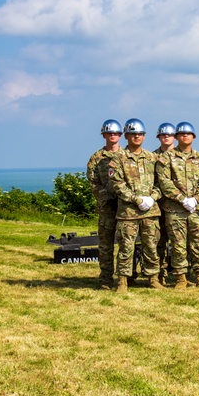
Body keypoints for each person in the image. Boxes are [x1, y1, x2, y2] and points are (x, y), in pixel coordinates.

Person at [108, 118, 162, 293]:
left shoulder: (152, 158)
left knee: (151, 246)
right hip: (128, 212)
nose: (136, 137)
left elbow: (161, 183)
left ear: (144, 136)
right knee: (126, 248)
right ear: (126, 136)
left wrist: (153, 198)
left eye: (139, 134)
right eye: (133, 134)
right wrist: (136, 199)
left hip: (150, 212)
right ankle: (123, 281)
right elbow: (117, 184)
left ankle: (153, 279)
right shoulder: (118, 159)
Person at [156, 121, 199, 290]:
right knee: (178, 245)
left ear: (193, 137)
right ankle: (181, 277)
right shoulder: (166, 158)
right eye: (181, 134)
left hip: (195, 210)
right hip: (175, 209)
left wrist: (195, 198)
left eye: (188, 134)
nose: (185, 136)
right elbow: (164, 182)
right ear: (177, 137)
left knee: (198, 244)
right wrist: (182, 198)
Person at [86, 119, 123, 289]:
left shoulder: (126, 155)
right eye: (109, 133)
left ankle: (126, 277)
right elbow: (93, 182)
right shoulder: (96, 157)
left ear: (121, 135)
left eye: (115, 133)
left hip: (125, 207)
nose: (112, 136)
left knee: (126, 244)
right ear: (104, 135)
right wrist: (106, 197)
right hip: (107, 208)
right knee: (106, 245)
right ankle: (106, 279)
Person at [152, 122, 177, 284]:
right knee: (158, 242)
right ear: (159, 137)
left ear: (174, 136)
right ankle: (160, 274)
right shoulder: (151, 157)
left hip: (177, 207)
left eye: (169, 134)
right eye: (163, 135)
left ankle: (180, 274)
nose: (166, 137)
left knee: (178, 243)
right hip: (158, 206)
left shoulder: (181, 155)